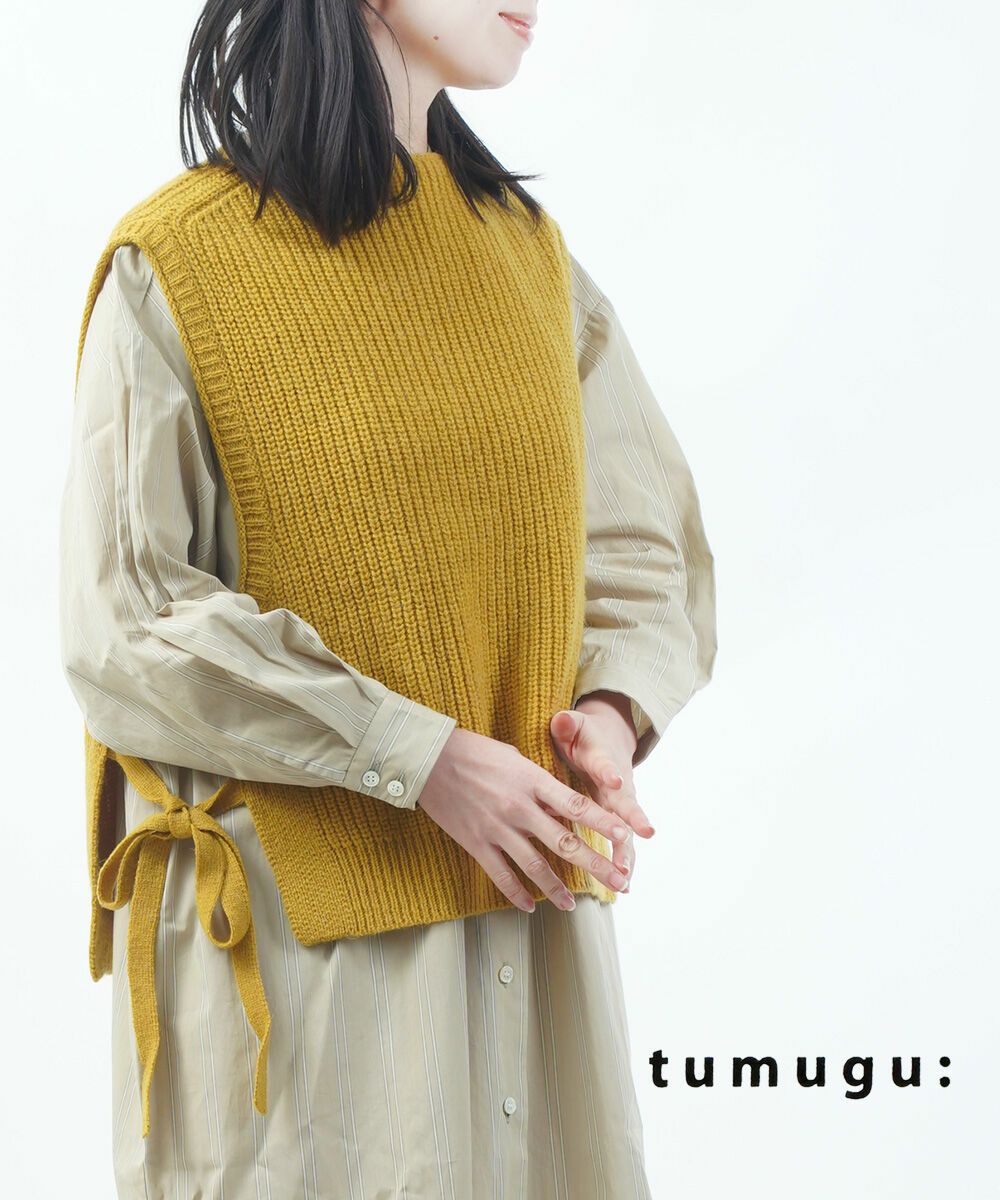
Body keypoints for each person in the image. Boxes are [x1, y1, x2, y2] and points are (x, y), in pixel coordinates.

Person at [59, 2, 717, 1196]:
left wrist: (609, 718)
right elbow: (130, 619)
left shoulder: (526, 257)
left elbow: (639, 538)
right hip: (301, 989)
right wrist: (420, 756)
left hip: (528, 947)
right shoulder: (179, 265)